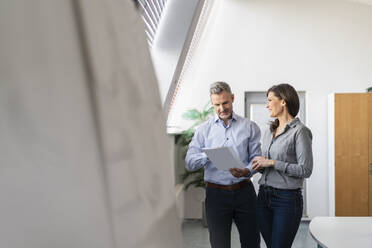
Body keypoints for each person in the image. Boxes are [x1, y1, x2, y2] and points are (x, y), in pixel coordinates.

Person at [185, 81, 261, 248]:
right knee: (219, 245)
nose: (222, 108)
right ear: (212, 103)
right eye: (217, 104)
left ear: (232, 98)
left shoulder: (250, 127)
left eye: (225, 103)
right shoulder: (203, 131)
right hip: (216, 195)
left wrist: (246, 171)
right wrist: (209, 155)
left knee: (252, 243)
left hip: (245, 193)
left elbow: (256, 159)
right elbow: (189, 163)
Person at [252, 84, 313, 248]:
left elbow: (305, 170)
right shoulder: (269, 130)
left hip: (286, 199)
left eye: (270, 100)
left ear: (283, 101)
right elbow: (266, 163)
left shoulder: (300, 131)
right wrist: (260, 165)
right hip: (263, 196)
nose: (267, 105)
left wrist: (272, 163)